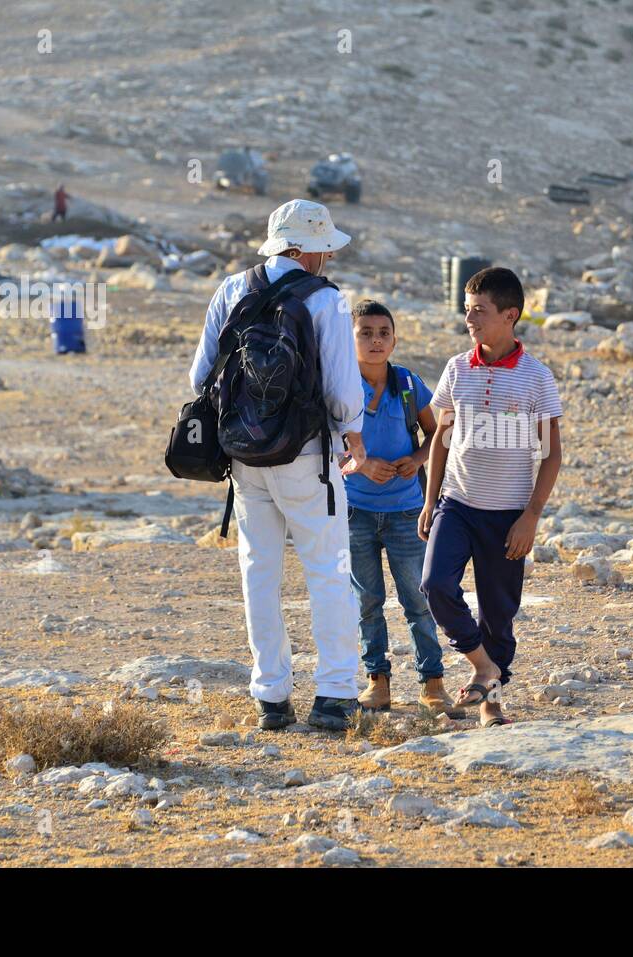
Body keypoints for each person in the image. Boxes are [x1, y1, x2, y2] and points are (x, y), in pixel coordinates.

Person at [189, 199, 368, 732]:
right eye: (323, 250)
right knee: (328, 571)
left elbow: (200, 377)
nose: (327, 260)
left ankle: (271, 697)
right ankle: (335, 693)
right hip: (308, 457)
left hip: (245, 459)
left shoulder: (231, 289)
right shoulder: (326, 301)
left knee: (259, 573)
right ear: (304, 250)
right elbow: (341, 388)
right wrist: (352, 433)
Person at [419, 267, 563, 727]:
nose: (470, 320)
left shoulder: (537, 378)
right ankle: (482, 665)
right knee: (435, 585)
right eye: (467, 311)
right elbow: (441, 440)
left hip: (508, 516)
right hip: (457, 505)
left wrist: (531, 517)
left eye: (479, 311)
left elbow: (552, 455)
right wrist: (429, 500)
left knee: (499, 613)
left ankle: (491, 700)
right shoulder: (456, 369)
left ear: (510, 315)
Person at [344, 300, 455, 716]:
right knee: (367, 600)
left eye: (383, 333)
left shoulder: (408, 384)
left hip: (407, 512)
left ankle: (433, 682)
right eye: (365, 332)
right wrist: (361, 463)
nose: (375, 340)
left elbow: (439, 431)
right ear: (349, 338)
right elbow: (320, 447)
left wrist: (420, 459)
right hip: (354, 512)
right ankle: (378, 681)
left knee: (418, 598)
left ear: (394, 339)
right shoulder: (338, 386)